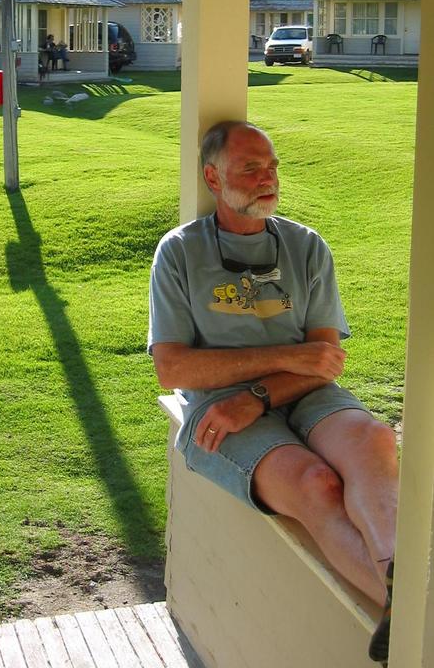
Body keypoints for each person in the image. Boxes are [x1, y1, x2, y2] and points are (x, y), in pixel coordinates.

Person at [148, 120, 397, 664]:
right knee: (315, 484)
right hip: (218, 409)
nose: (268, 178)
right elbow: (172, 368)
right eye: (251, 168)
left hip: (302, 392)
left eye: (272, 167)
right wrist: (283, 356)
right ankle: (406, 614)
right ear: (214, 178)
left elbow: (324, 361)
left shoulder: (306, 247)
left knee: (376, 440)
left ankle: (401, 591)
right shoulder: (180, 253)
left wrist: (258, 394)